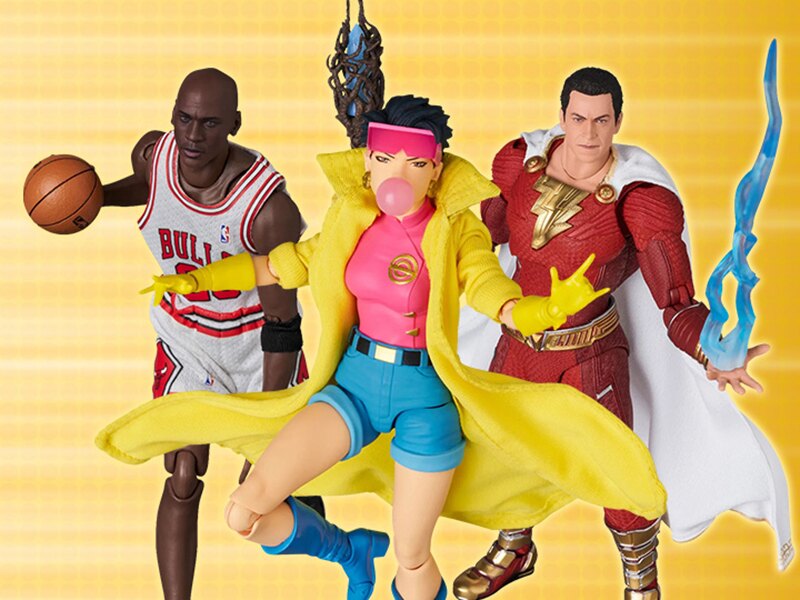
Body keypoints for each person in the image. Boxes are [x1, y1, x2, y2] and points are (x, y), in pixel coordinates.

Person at [98, 95, 669, 600]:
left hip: (424, 401)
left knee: (412, 557)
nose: (399, 173)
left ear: (435, 169)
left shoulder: (455, 229)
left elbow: (487, 284)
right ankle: (347, 551)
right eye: (386, 158)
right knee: (244, 512)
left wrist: (538, 311)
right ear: (368, 162)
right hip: (354, 387)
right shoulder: (351, 222)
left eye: (416, 163)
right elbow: (283, 264)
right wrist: (195, 280)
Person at [454, 67, 791, 600]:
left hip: (589, 357)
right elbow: (477, 244)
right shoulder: (519, 162)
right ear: (562, 116)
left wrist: (713, 351)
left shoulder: (638, 198)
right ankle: (514, 546)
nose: (588, 133)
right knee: (505, 451)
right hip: (518, 346)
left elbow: (674, 302)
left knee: (618, 469)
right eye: (578, 118)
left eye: (601, 120)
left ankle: (641, 581)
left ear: (617, 122)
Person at [99, 67, 321, 600]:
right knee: (182, 470)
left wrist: (265, 423)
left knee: (276, 490)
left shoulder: (267, 210)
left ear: (235, 124)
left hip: (254, 344)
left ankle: (342, 546)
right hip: (188, 338)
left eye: (210, 123)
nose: (193, 135)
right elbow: (149, 188)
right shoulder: (154, 156)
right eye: (184, 119)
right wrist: (95, 197)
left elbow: (283, 323)